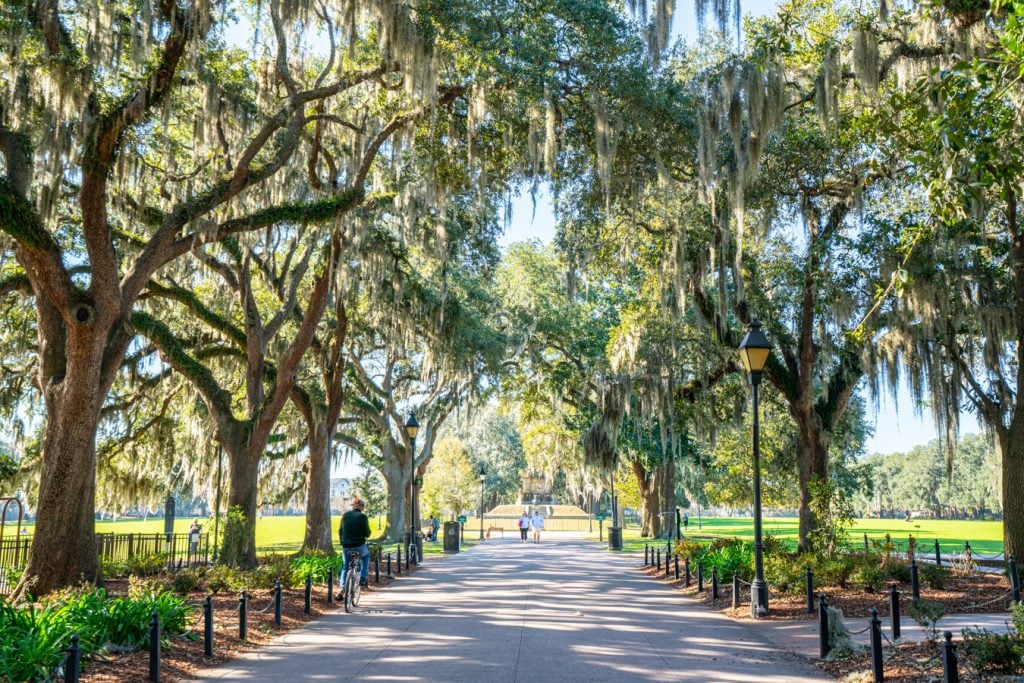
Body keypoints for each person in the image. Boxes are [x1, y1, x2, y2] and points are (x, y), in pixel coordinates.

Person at [339, 498, 371, 596]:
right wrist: (367, 534)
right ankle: (363, 578)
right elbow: (367, 533)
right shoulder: (363, 517)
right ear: (362, 507)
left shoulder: (345, 515)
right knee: (366, 556)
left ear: (353, 506)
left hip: (346, 546)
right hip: (359, 545)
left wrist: (342, 542)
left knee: (345, 566)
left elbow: (340, 531)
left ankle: (342, 588)